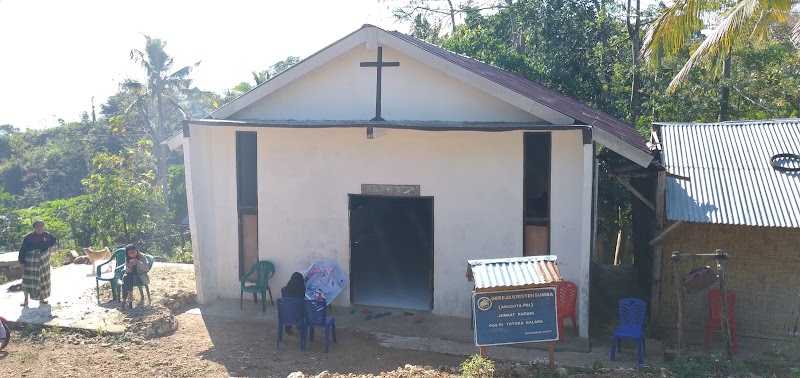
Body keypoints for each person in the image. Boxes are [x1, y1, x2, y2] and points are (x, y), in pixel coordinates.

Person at [18, 220, 57, 307]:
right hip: (30, 261)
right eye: (37, 226)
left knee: (42, 279)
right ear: (34, 228)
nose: (39, 228)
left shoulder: (47, 235)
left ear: (43, 227)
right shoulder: (28, 237)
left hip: (43, 261)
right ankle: (26, 300)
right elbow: (22, 249)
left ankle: (41, 299)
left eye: (41, 226)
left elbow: (54, 240)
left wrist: (47, 246)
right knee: (27, 280)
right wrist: (22, 262)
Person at [119, 244, 151, 310]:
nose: (132, 254)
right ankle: (129, 297)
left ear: (136, 250)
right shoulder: (127, 258)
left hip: (140, 277)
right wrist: (129, 266)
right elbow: (127, 271)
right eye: (130, 253)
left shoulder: (142, 257)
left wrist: (138, 262)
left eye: (133, 252)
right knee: (126, 278)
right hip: (130, 277)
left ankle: (125, 301)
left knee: (125, 280)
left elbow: (146, 268)